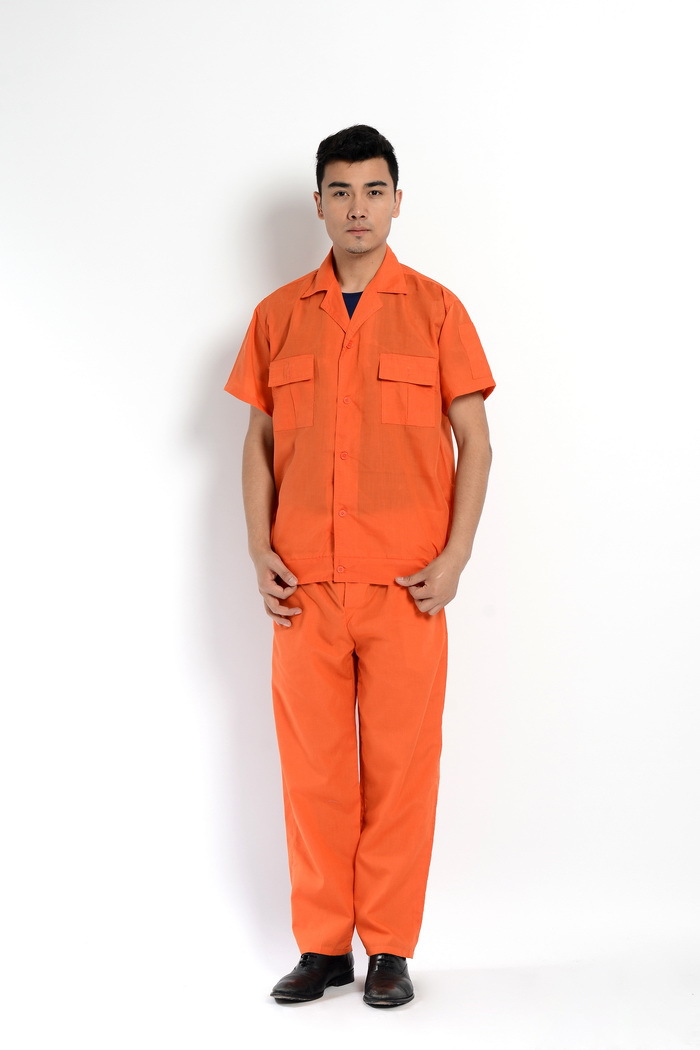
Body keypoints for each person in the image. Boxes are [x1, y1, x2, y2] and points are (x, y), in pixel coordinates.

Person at [224, 125, 495, 1008]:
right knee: (314, 775)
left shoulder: (437, 310)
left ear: (398, 201)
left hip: (407, 587)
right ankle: (321, 948)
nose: (357, 208)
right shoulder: (277, 316)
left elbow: (476, 441)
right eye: (340, 191)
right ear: (319, 204)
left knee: (401, 774)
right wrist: (259, 549)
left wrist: (455, 558)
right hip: (304, 587)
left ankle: (388, 949)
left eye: (374, 191)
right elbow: (259, 441)